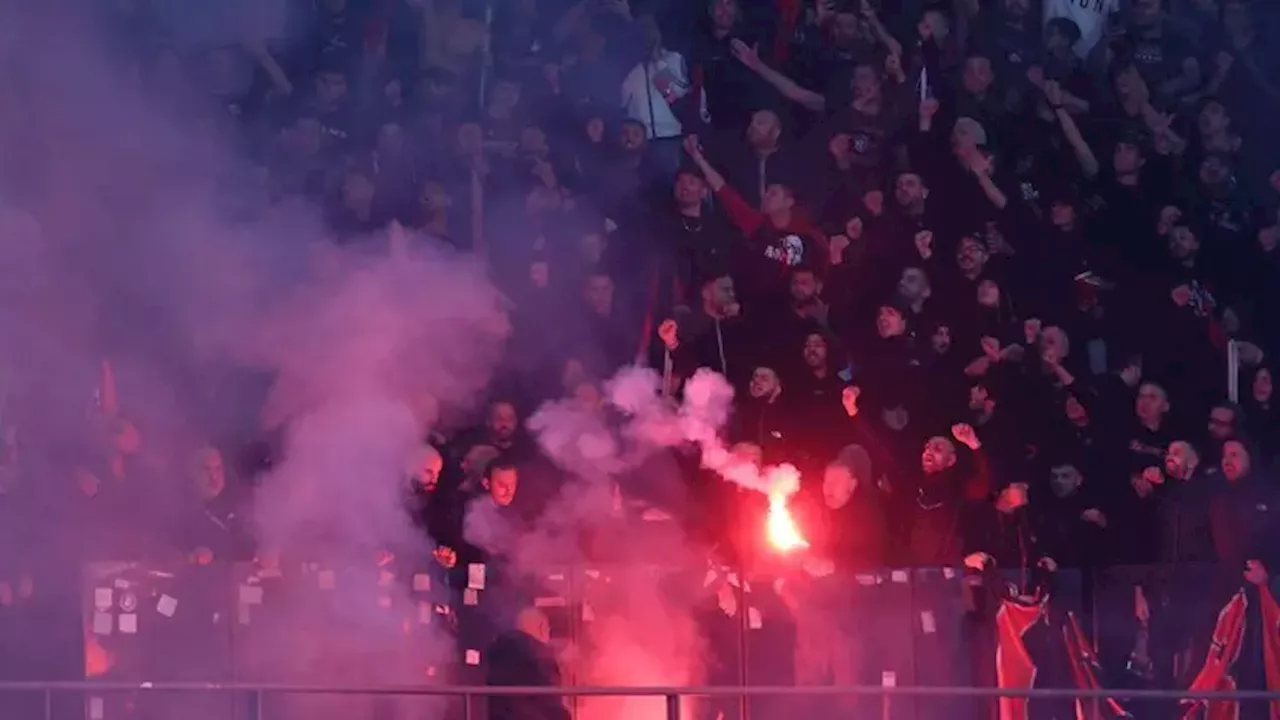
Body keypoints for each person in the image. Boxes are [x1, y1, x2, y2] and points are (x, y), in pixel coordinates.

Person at [486, 607, 570, 720]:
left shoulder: (496, 654)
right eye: (549, 630)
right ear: (541, 627)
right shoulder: (542, 657)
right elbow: (552, 703)